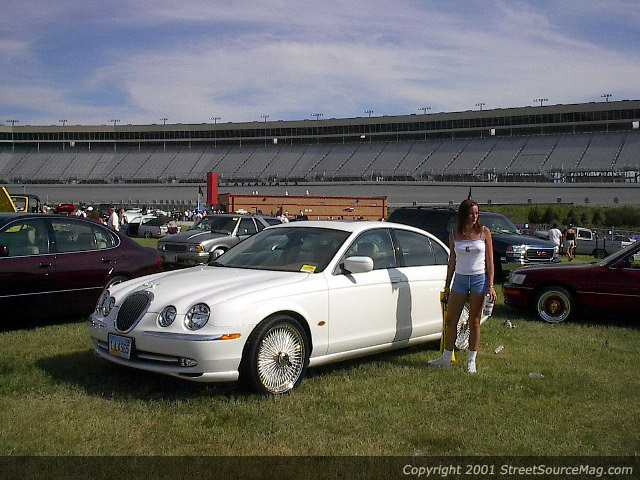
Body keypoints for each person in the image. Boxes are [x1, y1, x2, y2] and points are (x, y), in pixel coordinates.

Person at [428, 199, 496, 374]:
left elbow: (490, 262)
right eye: (471, 213)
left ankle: (471, 361)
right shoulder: (454, 233)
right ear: (463, 214)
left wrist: (490, 285)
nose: (474, 216)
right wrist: (447, 285)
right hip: (459, 279)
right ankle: (446, 358)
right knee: (451, 320)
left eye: (477, 213)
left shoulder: (484, 232)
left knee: (474, 321)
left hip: (478, 279)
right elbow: (452, 261)